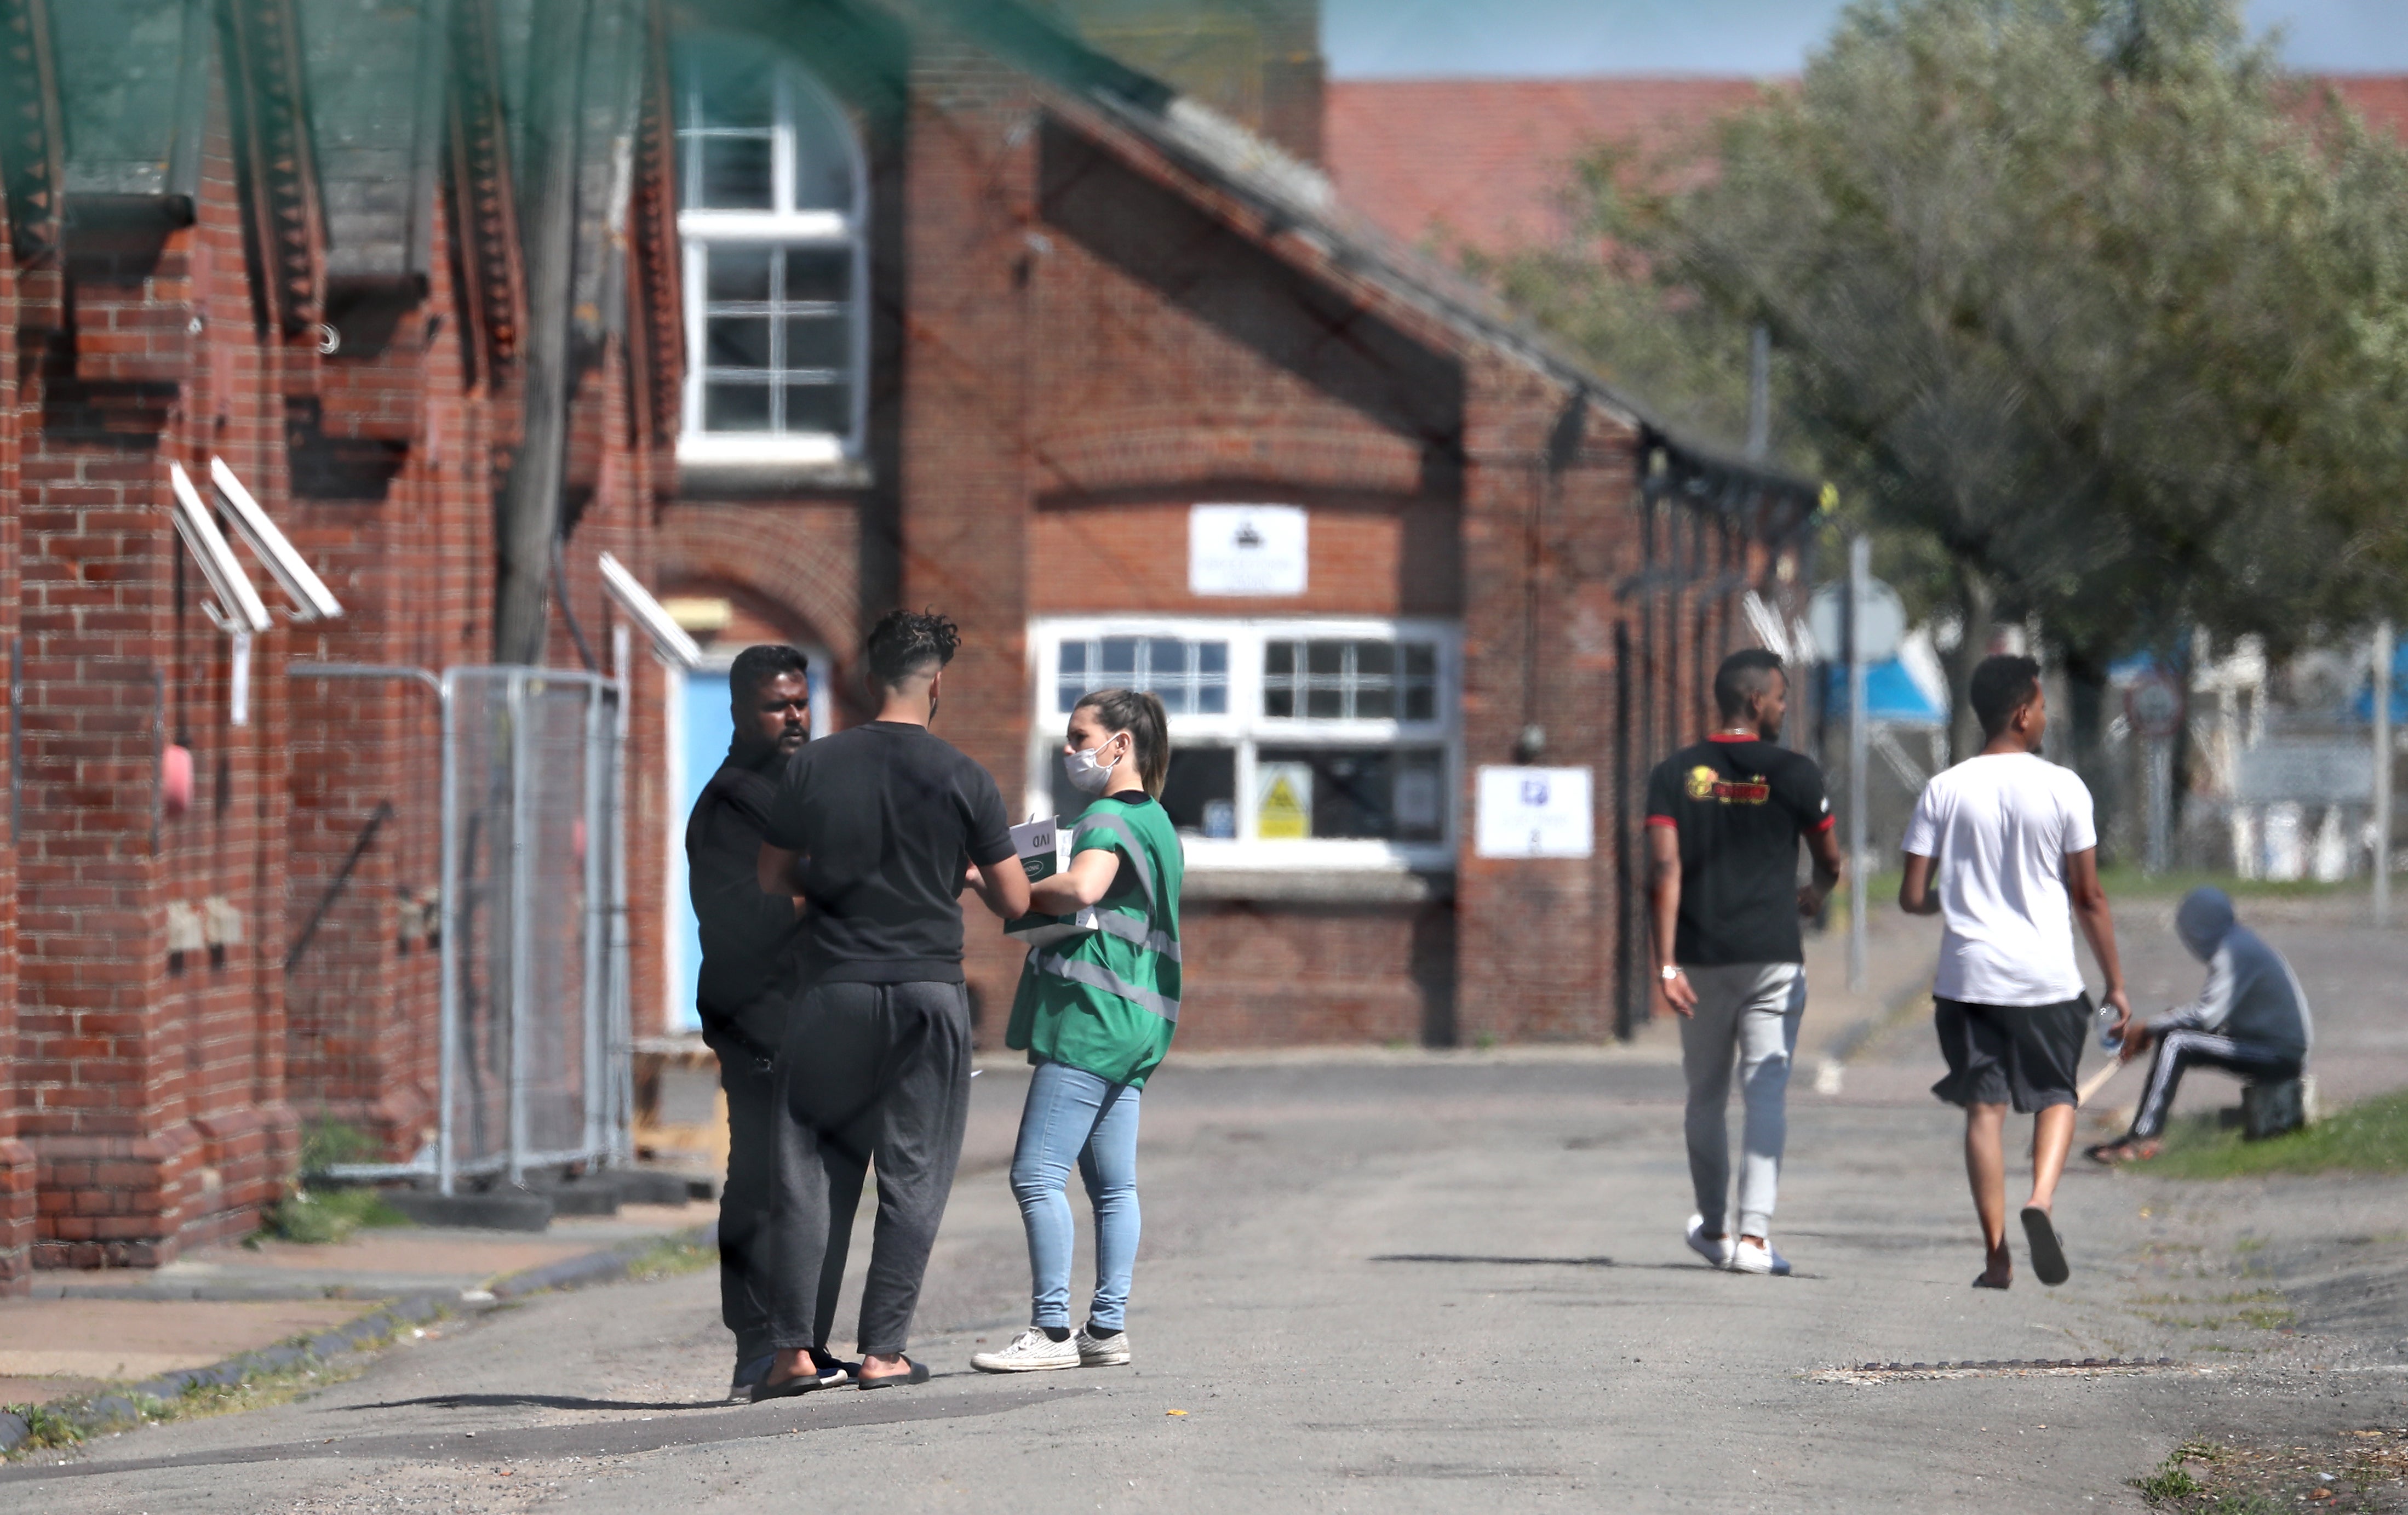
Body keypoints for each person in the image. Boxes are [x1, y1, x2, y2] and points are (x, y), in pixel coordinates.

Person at [750, 610, 1029, 1396]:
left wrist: (835, 881)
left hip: (833, 989)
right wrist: (961, 874)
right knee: (914, 1172)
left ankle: (794, 1355)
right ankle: (882, 1353)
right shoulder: (964, 775)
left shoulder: (813, 768)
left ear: (869, 679)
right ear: (937, 682)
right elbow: (1013, 900)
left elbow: (773, 878)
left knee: (806, 1168)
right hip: (926, 993)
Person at [1899, 653, 2131, 1289]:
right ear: (2023, 712)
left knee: (1984, 1110)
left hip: (1968, 978)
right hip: (2046, 977)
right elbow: (2088, 895)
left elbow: (1912, 895)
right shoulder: (2064, 788)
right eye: (2045, 705)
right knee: (2056, 1094)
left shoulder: (1944, 788)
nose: (2048, 715)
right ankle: (2042, 1199)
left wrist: (1959, 897)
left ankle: (1996, 1255)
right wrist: (2114, 981)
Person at [971, 689, 1184, 1373]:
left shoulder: (1106, 817)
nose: (1070, 751)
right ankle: (1106, 1327)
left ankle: (1053, 1329)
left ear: (1120, 745)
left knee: (1036, 1174)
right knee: (1114, 1187)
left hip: (1089, 1021)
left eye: (1079, 736)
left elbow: (1085, 887)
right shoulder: (1157, 821)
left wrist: (998, 882)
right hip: (1137, 1020)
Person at [1646, 648, 1845, 1278]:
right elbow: (1830, 857)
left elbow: (1664, 868)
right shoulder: (1794, 773)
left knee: (1703, 1094)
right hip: (1772, 956)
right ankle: (1755, 1240)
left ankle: (1713, 1228)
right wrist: (1817, 891)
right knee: (1765, 1091)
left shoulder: (1674, 772)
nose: (1785, 708)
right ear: (1757, 701)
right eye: (1783, 697)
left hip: (1700, 959)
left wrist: (1666, 964)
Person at [682, 644, 832, 1399]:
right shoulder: (730, 802)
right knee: (765, 1181)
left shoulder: (800, 788)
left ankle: (801, 1341)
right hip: (757, 1018)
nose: (796, 717)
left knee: (809, 1185)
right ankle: (759, 1345)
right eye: (780, 705)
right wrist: (835, 884)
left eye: (802, 702)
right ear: (741, 712)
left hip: (817, 1015)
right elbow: (745, 914)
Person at [2086, 887, 2313, 1164]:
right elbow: (2211, 1015)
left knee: (2177, 1042)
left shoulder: (2233, 952)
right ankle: (2143, 1132)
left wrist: (2147, 1027)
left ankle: (2143, 1138)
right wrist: (2161, 1025)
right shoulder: (2238, 943)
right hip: (2266, 1045)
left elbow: (2206, 1017)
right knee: (2175, 1035)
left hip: (2279, 1055)